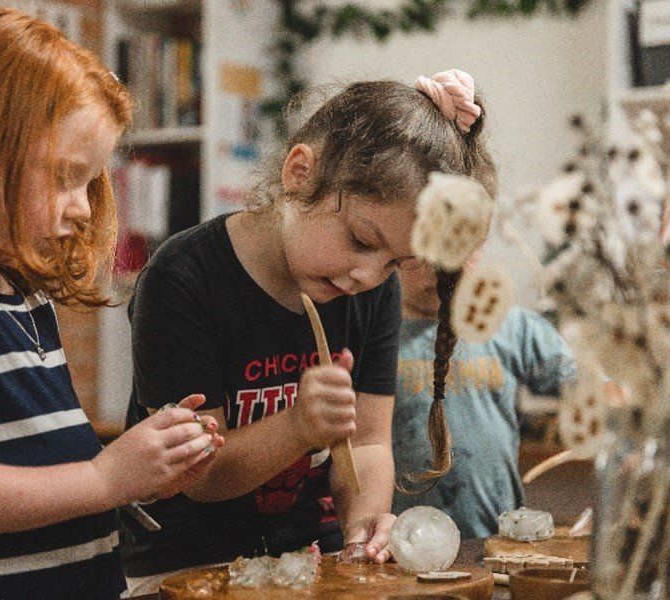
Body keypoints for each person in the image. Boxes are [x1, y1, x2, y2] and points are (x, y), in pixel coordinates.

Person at [0, 9, 222, 599]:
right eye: (65, 177)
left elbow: (39, 462)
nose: (82, 207)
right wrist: (106, 477)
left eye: (90, 182)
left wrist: (143, 471)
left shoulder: (23, 300)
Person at [120, 69, 496, 593]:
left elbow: (366, 442)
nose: (369, 275)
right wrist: (298, 425)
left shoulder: (370, 291)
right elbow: (200, 478)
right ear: (300, 172)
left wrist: (366, 527)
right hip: (182, 569)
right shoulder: (182, 278)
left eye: (394, 262)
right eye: (363, 240)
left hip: (311, 559)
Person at [391, 259, 578, 538]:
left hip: (495, 537)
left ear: (477, 252)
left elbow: (590, 391)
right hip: (399, 543)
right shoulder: (375, 337)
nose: (439, 268)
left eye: (453, 251)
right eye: (424, 254)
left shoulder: (512, 327)